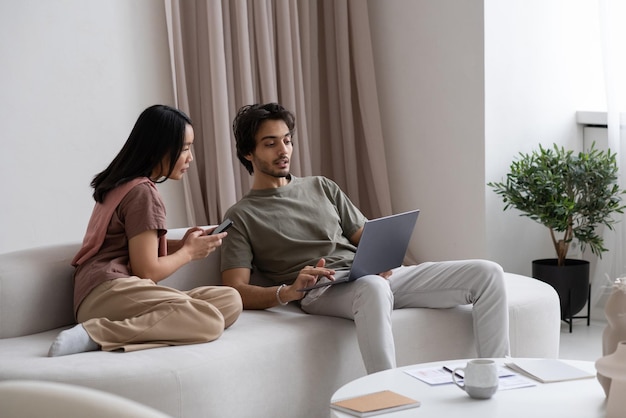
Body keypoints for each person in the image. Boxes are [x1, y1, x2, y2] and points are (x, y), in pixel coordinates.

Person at [220, 102, 510, 374]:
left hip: (368, 276)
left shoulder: (321, 186)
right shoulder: (241, 215)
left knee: (487, 273)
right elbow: (235, 288)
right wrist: (287, 291)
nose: (283, 150)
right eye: (270, 143)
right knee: (373, 286)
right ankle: (387, 395)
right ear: (248, 153)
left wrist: (380, 257)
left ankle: (496, 377)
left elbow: (364, 236)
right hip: (322, 290)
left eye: (287, 140)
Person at [48, 104, 243, 357]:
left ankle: (148, 323)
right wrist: (189, 253)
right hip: (108, 291)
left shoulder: (122, 184)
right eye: (184, 148)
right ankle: (96, 333)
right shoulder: (143, 193)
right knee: (211, 321)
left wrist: (183, 244)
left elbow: (132, 247)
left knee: (229, 300)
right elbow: (147, 270)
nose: (190, 158)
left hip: (105, 293)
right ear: (159, 147)